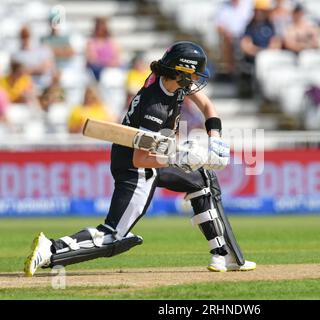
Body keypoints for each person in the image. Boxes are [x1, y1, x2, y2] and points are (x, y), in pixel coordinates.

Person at [24, 41, 256, 276]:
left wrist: (214, 138)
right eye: (193, 74)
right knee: (113, 236)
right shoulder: (155, 107)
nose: (195, 80)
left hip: (150, 154)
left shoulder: (169, 80)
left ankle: (223, 254)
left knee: (203, 180)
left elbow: (206, 105)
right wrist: (177, 158)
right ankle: (51, 248)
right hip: (135, 168)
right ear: (181, 72)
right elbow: (141, 159)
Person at [12, 25, 55, 91]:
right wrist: (37, 68)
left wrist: (27, 70)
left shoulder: (43, 50)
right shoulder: (16, 54)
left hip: (44, 86)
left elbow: (46, 68)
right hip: (25, 89)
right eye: (23, 36)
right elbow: (17, 72)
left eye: (27, 35)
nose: (25, 39)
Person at [216, 0, 254, 74]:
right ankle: (231, 71)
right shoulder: (223, 6)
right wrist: (227, 33)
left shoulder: (249, 3)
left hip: (247, 35)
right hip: (230, 37)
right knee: (227, 41)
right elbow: (219, 26)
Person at [86, 17, 121, 81]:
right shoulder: (92, 42)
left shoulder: (111, 41)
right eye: (99, 28)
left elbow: (116, 58)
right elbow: (92, 59)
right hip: (97, 69)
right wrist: (105, 64)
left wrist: (108, 64)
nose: (101, 30)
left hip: (109, 68)